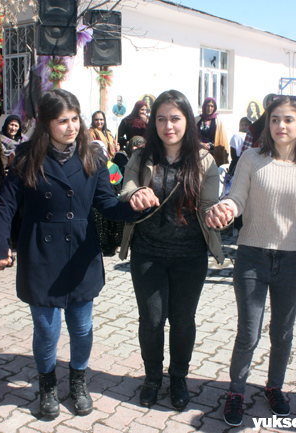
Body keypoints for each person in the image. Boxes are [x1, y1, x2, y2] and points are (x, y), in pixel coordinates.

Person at [0, 89, 149, 420]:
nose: (71, 127)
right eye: (62, 121)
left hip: (80, 254)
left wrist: (134, 207)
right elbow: (3, 207)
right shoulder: (26, 158)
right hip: (41, 254)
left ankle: (78, 381)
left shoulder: (93, 157)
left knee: (82, 326)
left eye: (75, 119)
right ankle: (46, 385)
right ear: (46, 124)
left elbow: (106, 206)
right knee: (46, 329)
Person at [206, 95, 296, 427]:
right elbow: (237, 198)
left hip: (291, 263)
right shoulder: (250, 158)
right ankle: (236, 391)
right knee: (249, 332)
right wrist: (227, 209)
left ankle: (274, 386)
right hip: (251, 258)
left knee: (283, 332)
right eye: (275, 119)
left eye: (288, 119)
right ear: (267, 123)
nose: (281, 126)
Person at [118, 89, 224, 411]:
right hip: (147, 252)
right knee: (151, 320)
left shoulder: (205, 161)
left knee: (182, 321)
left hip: (189, 256)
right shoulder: (141, 155)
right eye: (161, 119)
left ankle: (178, 376)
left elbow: (209, 205)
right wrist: (134, 195)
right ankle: (152, 377)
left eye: (175, 119)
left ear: (187, 121)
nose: (168, 126)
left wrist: (219, 214)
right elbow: (126, 186)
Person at [197, 97, 229, 166]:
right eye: (208, 105)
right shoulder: (197, 120)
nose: (209, 108)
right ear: (204, 106)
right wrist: (201, 144)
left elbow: (221, 139)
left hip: (213, 153)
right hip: (198, 152)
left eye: (212, 106)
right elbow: (192, 136)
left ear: (214, 108)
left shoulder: (218, 120)